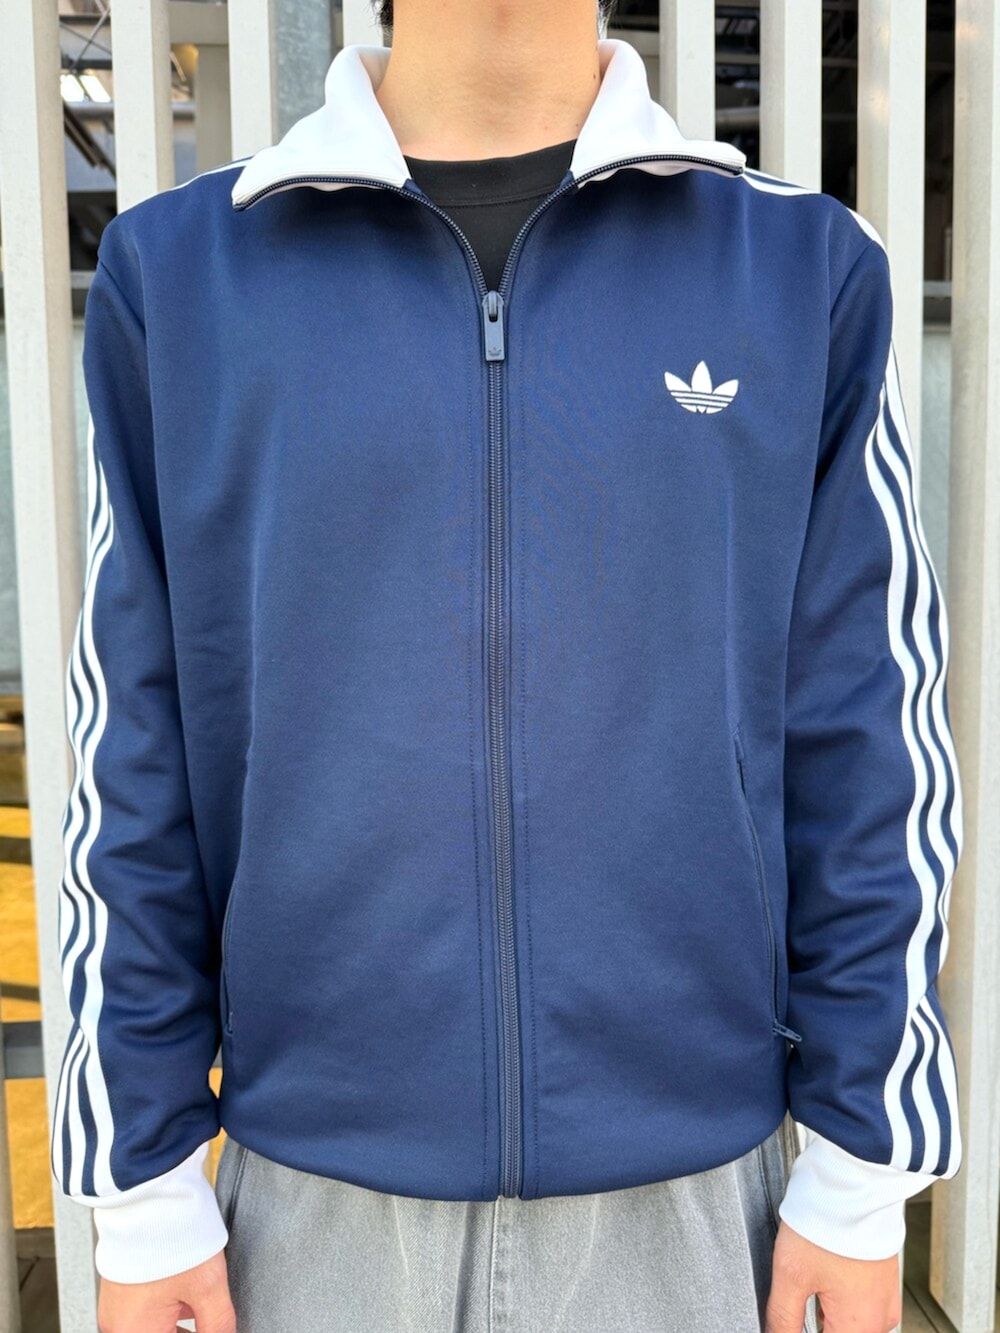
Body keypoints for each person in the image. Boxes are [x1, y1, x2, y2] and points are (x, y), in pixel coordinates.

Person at [50, 1, 964, 1330]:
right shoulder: (186, 275)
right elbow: (132, 745)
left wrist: (861, 1170)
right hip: (310, 1210)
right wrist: (139, 1189)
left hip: (695, 1205)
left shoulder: (798, 267)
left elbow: (869, 737)